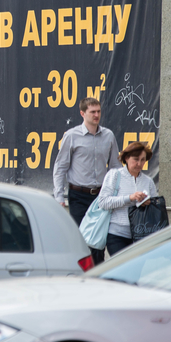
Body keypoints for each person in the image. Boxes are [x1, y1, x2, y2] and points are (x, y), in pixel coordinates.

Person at [53, 97, 121, 265]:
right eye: (92, 112)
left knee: (98, 240)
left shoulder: (108, 136)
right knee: (81, 238)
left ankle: (96, 274)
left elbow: (115, 167)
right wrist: (59, 197)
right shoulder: (71, 136)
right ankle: (79, 272)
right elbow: (60, 167)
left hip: (101, 196)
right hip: (78, 194)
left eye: (98, 111)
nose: (96, 115)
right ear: (83, 113)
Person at [97, 141, 157, 256]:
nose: (139, 163)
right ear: (126, 158)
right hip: (116, 235)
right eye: (136, 159)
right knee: (120, 270)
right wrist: (129, 198)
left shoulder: (148, 181)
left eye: (143, 160)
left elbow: (154, 209)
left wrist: (148, 203)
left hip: (140, 236)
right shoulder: (115, 175)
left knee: (136, 271)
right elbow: (103, 202)